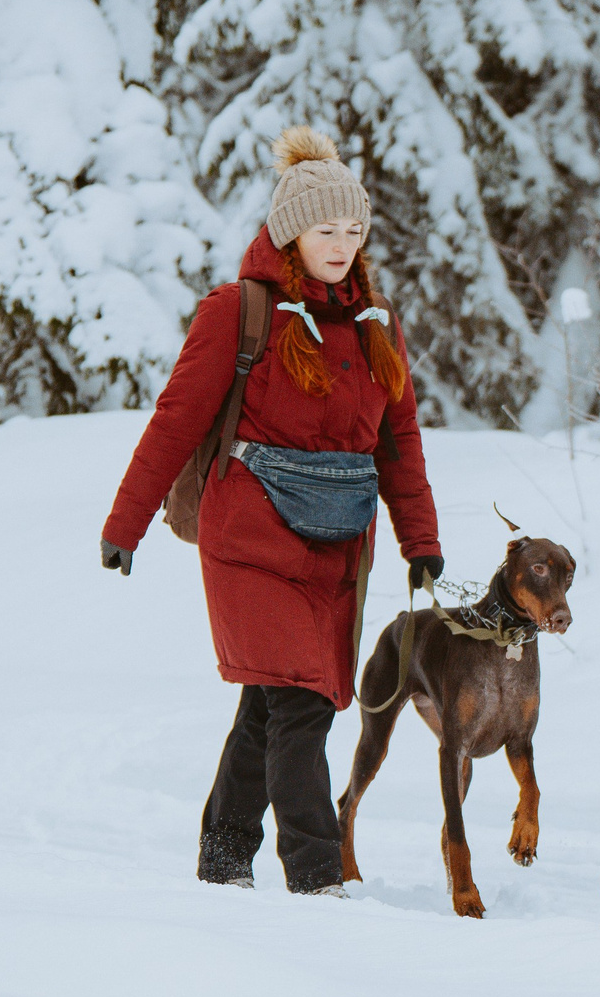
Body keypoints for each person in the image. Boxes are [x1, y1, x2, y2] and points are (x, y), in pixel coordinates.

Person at [100, 126, 443, 896]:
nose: (343, 245)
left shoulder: (374, 323)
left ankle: (223, 856)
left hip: (337, 541)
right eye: (327, 230)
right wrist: (126, 526)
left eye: (354, 231)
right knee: (302, 699)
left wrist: (421, 539)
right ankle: (318, 874)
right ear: (292, 230)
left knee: (271, 697)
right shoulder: (239, 312)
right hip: (250, 534)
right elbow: (176, 420)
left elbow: (400, 442)